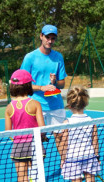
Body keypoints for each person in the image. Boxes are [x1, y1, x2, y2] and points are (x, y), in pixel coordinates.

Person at [5, 69, 46, 182]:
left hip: (18, 147)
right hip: (35, 147)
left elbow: (8, 133)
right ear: (28, 85)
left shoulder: (9, 107)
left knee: (21, 181)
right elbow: (42, 128)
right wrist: (43, 137)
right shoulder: (35, 104)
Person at [20, 24, 67, 155]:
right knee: (37, 140)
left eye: (53, 38)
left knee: (61, 137)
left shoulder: (58, 57)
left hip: (56, 105)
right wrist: (42, 87)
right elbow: (22, 85)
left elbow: (62, 84)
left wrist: (55, 82)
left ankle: (65, 165)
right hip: (36, 106)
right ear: (41, 36)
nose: (50, 41)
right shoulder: (30, 57)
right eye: (47, 37)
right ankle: (38, 172)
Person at [60, 86, 101, 182]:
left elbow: (64, 143)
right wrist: (97, 157)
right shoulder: (91, 120)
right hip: (89, 157)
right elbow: (95, 141)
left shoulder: (67, 123)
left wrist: (63, 159)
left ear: (70, 105)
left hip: (72, 159)